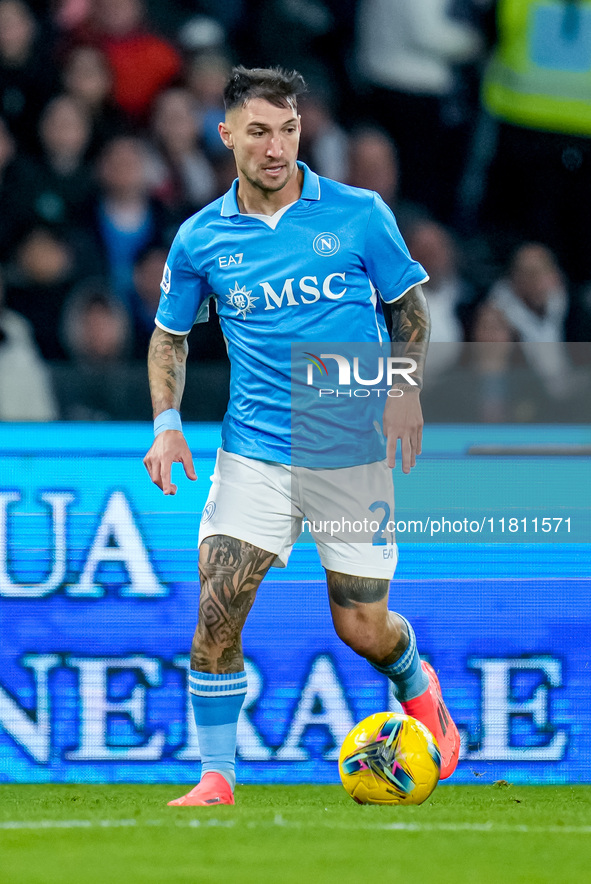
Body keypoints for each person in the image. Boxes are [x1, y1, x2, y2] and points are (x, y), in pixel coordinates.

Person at [143, 66, 460, 807]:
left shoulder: (357, 214)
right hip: (251, 451)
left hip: (350, 455)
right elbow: (168, 339)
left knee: (361, 627)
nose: (276, 146)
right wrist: (166, 427)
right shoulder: (200, 239)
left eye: (287, 129)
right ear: (225, 136)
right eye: (258, 130)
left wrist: (405, 394)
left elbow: (407, 312)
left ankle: (417, 683)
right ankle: (216, 778)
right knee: (217, 610)